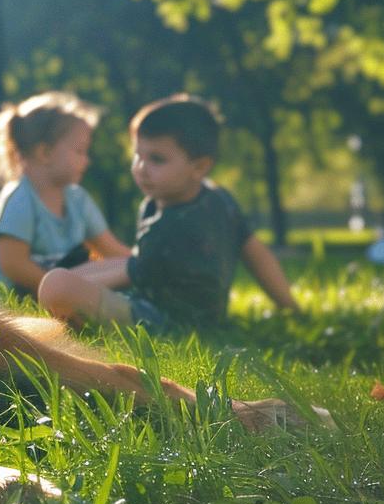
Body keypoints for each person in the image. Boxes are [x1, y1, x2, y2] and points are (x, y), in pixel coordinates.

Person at [37, 94, 299, 332]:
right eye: (137, 155)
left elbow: (128, 271)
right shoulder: (219, 199)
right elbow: (256, 254)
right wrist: (290, 307)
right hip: (197, 317)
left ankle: (70, 307)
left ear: (199, 167)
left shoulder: (173, 225)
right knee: (65, 278)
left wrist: (70, 281)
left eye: (157, 159)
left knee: (56, 285)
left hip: (165, 322)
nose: (141, 168)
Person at [0, 92, 130, 298]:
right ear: (45, 153)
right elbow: (13, 265)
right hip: (14, 294)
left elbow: (111, 249)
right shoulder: (19, 199)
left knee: (123, 268)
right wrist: (60, 291)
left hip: (56, 284)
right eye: (80, 151)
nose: (87, 160)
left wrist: (142, 265)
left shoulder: (77, 199)